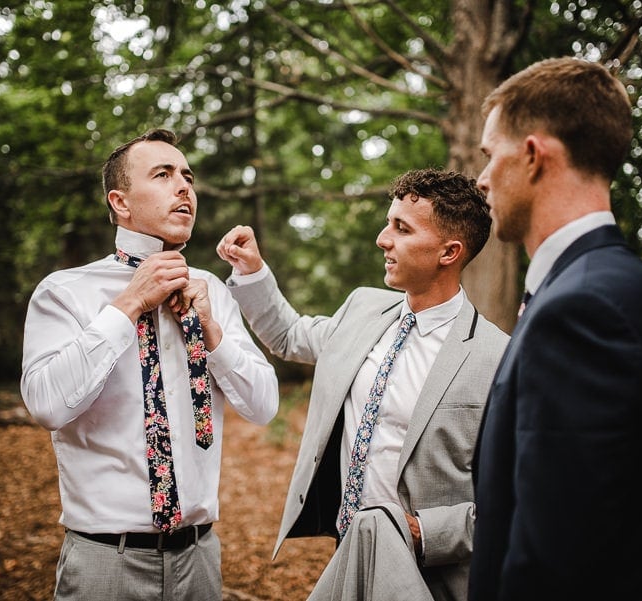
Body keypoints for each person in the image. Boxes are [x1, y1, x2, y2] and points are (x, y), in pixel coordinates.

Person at [217, 168, 510, 600]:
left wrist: (421, 532)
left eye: (402, 229)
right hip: (347, 551)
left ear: (449, 252)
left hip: (433, 577)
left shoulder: (498, 357)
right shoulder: (362, 309)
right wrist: (252, 272)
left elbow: (516, 503)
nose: (382, 239)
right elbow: (290, 336)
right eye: (389, 223)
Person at [467, 57, 642, 601]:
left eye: (490, 154)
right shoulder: (614, 285)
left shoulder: (582, 310)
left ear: (533, 156)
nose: (481, 178)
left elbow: (554, 560)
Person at [20, 129, 278, 601]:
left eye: (188, 177)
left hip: (200, 560)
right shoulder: (65, 291)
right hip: (105, 563)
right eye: (162, 175)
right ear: (120, 202)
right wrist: (129, 305)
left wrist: (212, 331)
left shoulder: (211, 292)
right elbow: (46, 405)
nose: (183, 187)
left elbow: (264, 406)